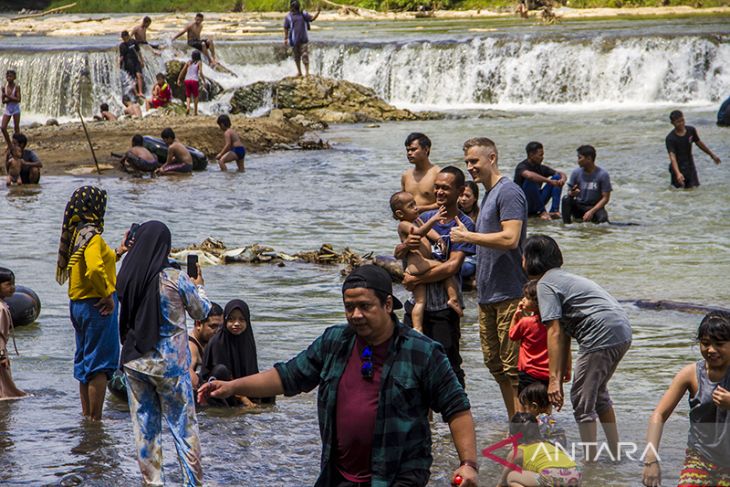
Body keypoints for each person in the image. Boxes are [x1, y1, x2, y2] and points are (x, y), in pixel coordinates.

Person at [198, 265, 479, 487]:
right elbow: (287, 377)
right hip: (339, 475)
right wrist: (232, 386)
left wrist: (468, 464)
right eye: (349, 307)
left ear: (387, 304)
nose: (355, 315)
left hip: (398, 476)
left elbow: (457, 408)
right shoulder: (335, 342)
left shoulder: (422, 352)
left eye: (364, 306)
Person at [523, 234, 632, 462]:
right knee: (598, 393)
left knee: (581, 400)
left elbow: (553, 331)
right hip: (621, 329)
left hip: (600, 333)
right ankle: (615, 452)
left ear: (532, 259)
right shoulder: (562, 278)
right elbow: (563, 334)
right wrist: (561, 371)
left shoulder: (544, 284)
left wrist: (553, 380)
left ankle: (590, 462)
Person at [117, 220, 210, 487]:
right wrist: (199, 285)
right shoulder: (175, 277)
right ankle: (192, 484)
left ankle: (153, 483)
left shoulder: (127, 274)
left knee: (145, 431)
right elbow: (201, 312)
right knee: (184, 430)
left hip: (134, 361)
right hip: (169, 365)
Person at [450, 137, 527, 420]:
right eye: (467, 162)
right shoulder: (488, 194)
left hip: (510, 293)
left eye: (474, 161)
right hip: (488, 295)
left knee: (513, 368)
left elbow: (510, 238)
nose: (470, 167)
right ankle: (514, 421)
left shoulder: (509, 192)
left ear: (491, 158)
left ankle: (525, 429)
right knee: (495, 365)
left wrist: (468, 236)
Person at [398, 167, 476, 389]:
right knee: (412, 366)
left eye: (446, 188)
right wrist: (404, 246)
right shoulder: (422, 217)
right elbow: (401, 249)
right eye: (437, 187)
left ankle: (457, 417)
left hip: (443, 307)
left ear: (460, 191)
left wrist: (418, 280)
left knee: (449, 366)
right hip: (417, 304)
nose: (439, 192)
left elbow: (452, 266)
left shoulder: (464, 225)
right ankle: (426, 421)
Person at [55, 186, 122, 421]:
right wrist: (107, 294)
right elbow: (94, 268)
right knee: (100, 366)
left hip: (78, 306)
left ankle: (87, 417)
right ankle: (96, 421)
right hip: (97, 307)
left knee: (85, 363)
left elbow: (93, 263)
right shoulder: (92, 236)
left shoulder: (78, 233)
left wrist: (118, 252)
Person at [642, 311, 730, 487]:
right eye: (705, 344)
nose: (711, 350)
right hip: (700, 458)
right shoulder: (691, 374)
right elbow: (658, 414)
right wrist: (651, 459)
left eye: (719, 344)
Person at [390, 191, 460, 333]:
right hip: (417, 264)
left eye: (415, 204)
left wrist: (439, 238)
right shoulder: (404, 225)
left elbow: (429, 233)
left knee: (420, 301)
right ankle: (453, 298)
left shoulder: (417, 219)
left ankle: (417, 328)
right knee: (445, 269)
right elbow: (419, 233)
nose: (416, 208)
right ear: (400, 214)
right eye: (411, 206)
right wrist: (433, 219)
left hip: (421, 264)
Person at [200, 299, 268, 407]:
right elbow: (223, 376)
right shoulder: (218, 341)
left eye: (241, 319)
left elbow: (252, 371)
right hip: (220, 388)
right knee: (221, 370)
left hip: (240, 387)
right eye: (231, 319)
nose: (236, 324)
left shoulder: (247, 340)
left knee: (268, 386)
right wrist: (245, 400)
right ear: (225, 321)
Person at [497, 413, 581, 487]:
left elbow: (502, 481)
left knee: (511, 476)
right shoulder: (549, 445)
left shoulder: (518, 451)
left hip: (552, 477)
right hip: (575, 474)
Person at [508, 280, 550, 394]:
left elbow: (512, 335)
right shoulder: (553, 325)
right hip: (548, 373)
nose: (523, 300)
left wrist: (516, 317)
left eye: (526, 297)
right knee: (543, 404)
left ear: (536, 303)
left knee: (525, 403)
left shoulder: (525, 322)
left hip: (528, 372)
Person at [665, 110, 722, 189]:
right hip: (677, 168)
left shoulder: (690, 131)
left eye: (682, 120)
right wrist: (678, 173)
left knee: (694, 190)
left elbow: (699, 143)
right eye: (678, 122)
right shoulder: (670, 138)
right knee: (678, 193)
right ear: (672, 123)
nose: (681, 123)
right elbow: (672, 156)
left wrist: (712, 155)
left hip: (690, 167)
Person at [513, 141, 566, 220]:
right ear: (531, 155)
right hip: (524, 203)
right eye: (540, 155)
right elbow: (529, 175)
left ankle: (555, 210)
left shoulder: (540, 168)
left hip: (537, 200)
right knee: (530, 180)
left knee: (556, 177)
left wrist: (562, 179)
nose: (542, 157)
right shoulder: (522, 166)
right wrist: (549, 181)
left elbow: (560, 173)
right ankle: (542, 211)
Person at [561, 145, 611, 224]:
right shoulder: (576, 173)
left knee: (603, 220)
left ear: (589, 159)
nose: (578, 161)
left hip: (594, 207)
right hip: (579, 205)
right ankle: (566, 225)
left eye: (580, 158)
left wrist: (591, 212)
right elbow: (569, 192)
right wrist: (572, 193)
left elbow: (605, 198)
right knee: (566, 199)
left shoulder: (603, 175)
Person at [0, 267, 26, 400]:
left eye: (13, 284)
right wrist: (2, 355)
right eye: (8, 284)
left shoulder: (3, 304)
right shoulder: (1, 308)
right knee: (4, 383)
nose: (13, 288)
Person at [401, 132, 441, 212]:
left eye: (413, 149)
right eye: (407, 150)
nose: (409, 153)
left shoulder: (438, 174)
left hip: (433, 220)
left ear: (426, 150)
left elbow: (446, 202)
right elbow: (402, 202)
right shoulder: (406, 176)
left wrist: (422, 208)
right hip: (411, 222)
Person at [519, 382, 567, 447]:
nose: (524, 412)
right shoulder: (551, 420)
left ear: (534, 407)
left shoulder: (538, 421)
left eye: (525, 408)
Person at [188, 302, 223, 391]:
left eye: (220, 327)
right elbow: (188, 370)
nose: (217, 331)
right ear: (198, 324)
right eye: (213, 326)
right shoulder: (191, 346)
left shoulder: (212, 341)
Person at [283, 0, 320, 77]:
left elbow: (312, 19)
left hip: (303, 39)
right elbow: (286, 28)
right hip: (294, 40)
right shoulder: (288, 17)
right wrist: (286, 38)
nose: (295, 8)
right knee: (297, 57)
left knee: (304, 55)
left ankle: (306, 72)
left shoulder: (303, 14)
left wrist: (318, 12)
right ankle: (299, 72)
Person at [458, 181, 479, 281]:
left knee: (463, 269)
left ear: (475, 198)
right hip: (454, 254)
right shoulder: (452, 213)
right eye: (461, 195)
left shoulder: (480, 216)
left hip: (472, 257)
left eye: (467, 196)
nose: (463, 199)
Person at [177, 50, 205, 116]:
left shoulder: (188, 62)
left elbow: (182, 71)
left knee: (188, 95)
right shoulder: (199, 62)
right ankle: (195, 111)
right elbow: (200, 73)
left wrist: (179, 79)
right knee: (196, 96)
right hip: (194, 80)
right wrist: (204, 80)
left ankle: (188, 107)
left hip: (187, 80)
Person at [119, 30, 144, 98]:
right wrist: (119, 63)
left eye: (125, 38)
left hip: (136, 61)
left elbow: (138, 51)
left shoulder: (133, 42)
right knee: (131, 78)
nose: (124, 39)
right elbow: (121, 56)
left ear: (128, 36)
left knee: (139, 75)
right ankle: (136, 93)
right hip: (128, 63)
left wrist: (141, 60)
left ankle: (140, 92)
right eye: (123, 38)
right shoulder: (122, 45)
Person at [1, 69, 21, 149]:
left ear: (14, 77)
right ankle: (9, 144)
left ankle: (18, 145)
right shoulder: (4, 87)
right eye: (7, 76)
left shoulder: (17, 87)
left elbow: (19, 99)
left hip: (16, 109)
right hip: (8, 109)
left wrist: (8, 97)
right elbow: (3, 101)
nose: (9, 78)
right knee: (3, 127)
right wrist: (8, 99)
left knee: (16, 128)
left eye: (10, 76)